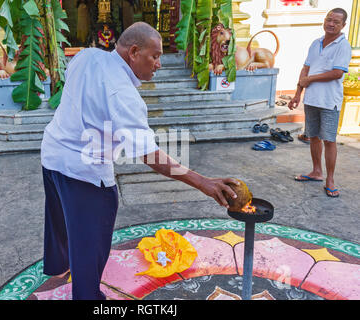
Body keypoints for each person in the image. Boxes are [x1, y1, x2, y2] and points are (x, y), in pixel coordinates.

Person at [40, 22, 239, 300]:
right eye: (154, 56)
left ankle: (58, 265)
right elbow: (150, 156)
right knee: (91, 240)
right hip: (84, 170)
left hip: (52, 152)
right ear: (134, 51)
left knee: (59, 216)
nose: (158, 64)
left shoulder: (86, 55)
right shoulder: (123, 94)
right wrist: (202, 182)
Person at [288, 8, 351, 198]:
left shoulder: (343, 45)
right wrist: (298, 93)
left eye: (336, 22)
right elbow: (305, 69)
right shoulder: (316, 43)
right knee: (313, 136)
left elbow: (337, 73)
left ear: (343, 25)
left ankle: (330, 180)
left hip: (329, 100)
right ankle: (316, 172)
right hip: (312, 99)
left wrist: (311, 80)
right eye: (328, 19)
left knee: (329, 140)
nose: (331, 24)